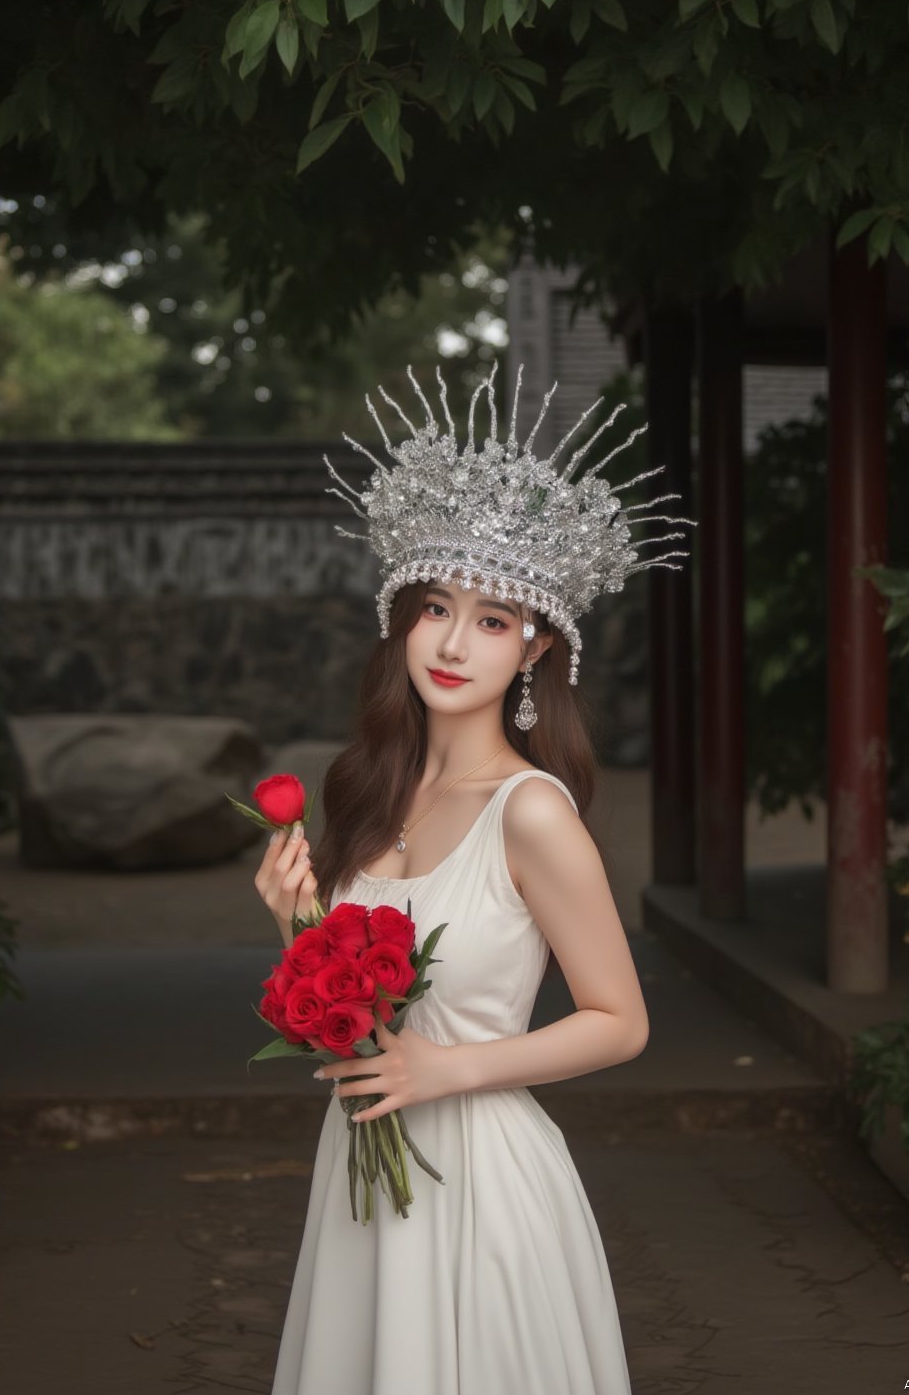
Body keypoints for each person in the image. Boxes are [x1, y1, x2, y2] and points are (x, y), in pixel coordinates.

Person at [254, 363, 694, 1395]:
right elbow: (354, 1020)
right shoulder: (372, 791)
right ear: (401, 616)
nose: (453, 644)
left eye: (493, 621)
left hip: (480, 1175)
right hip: (361, 1171)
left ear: (536, 645)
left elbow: (619, 1020)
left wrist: (443, 1072)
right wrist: (299, 926)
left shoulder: (531, 812)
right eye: (436, 609)